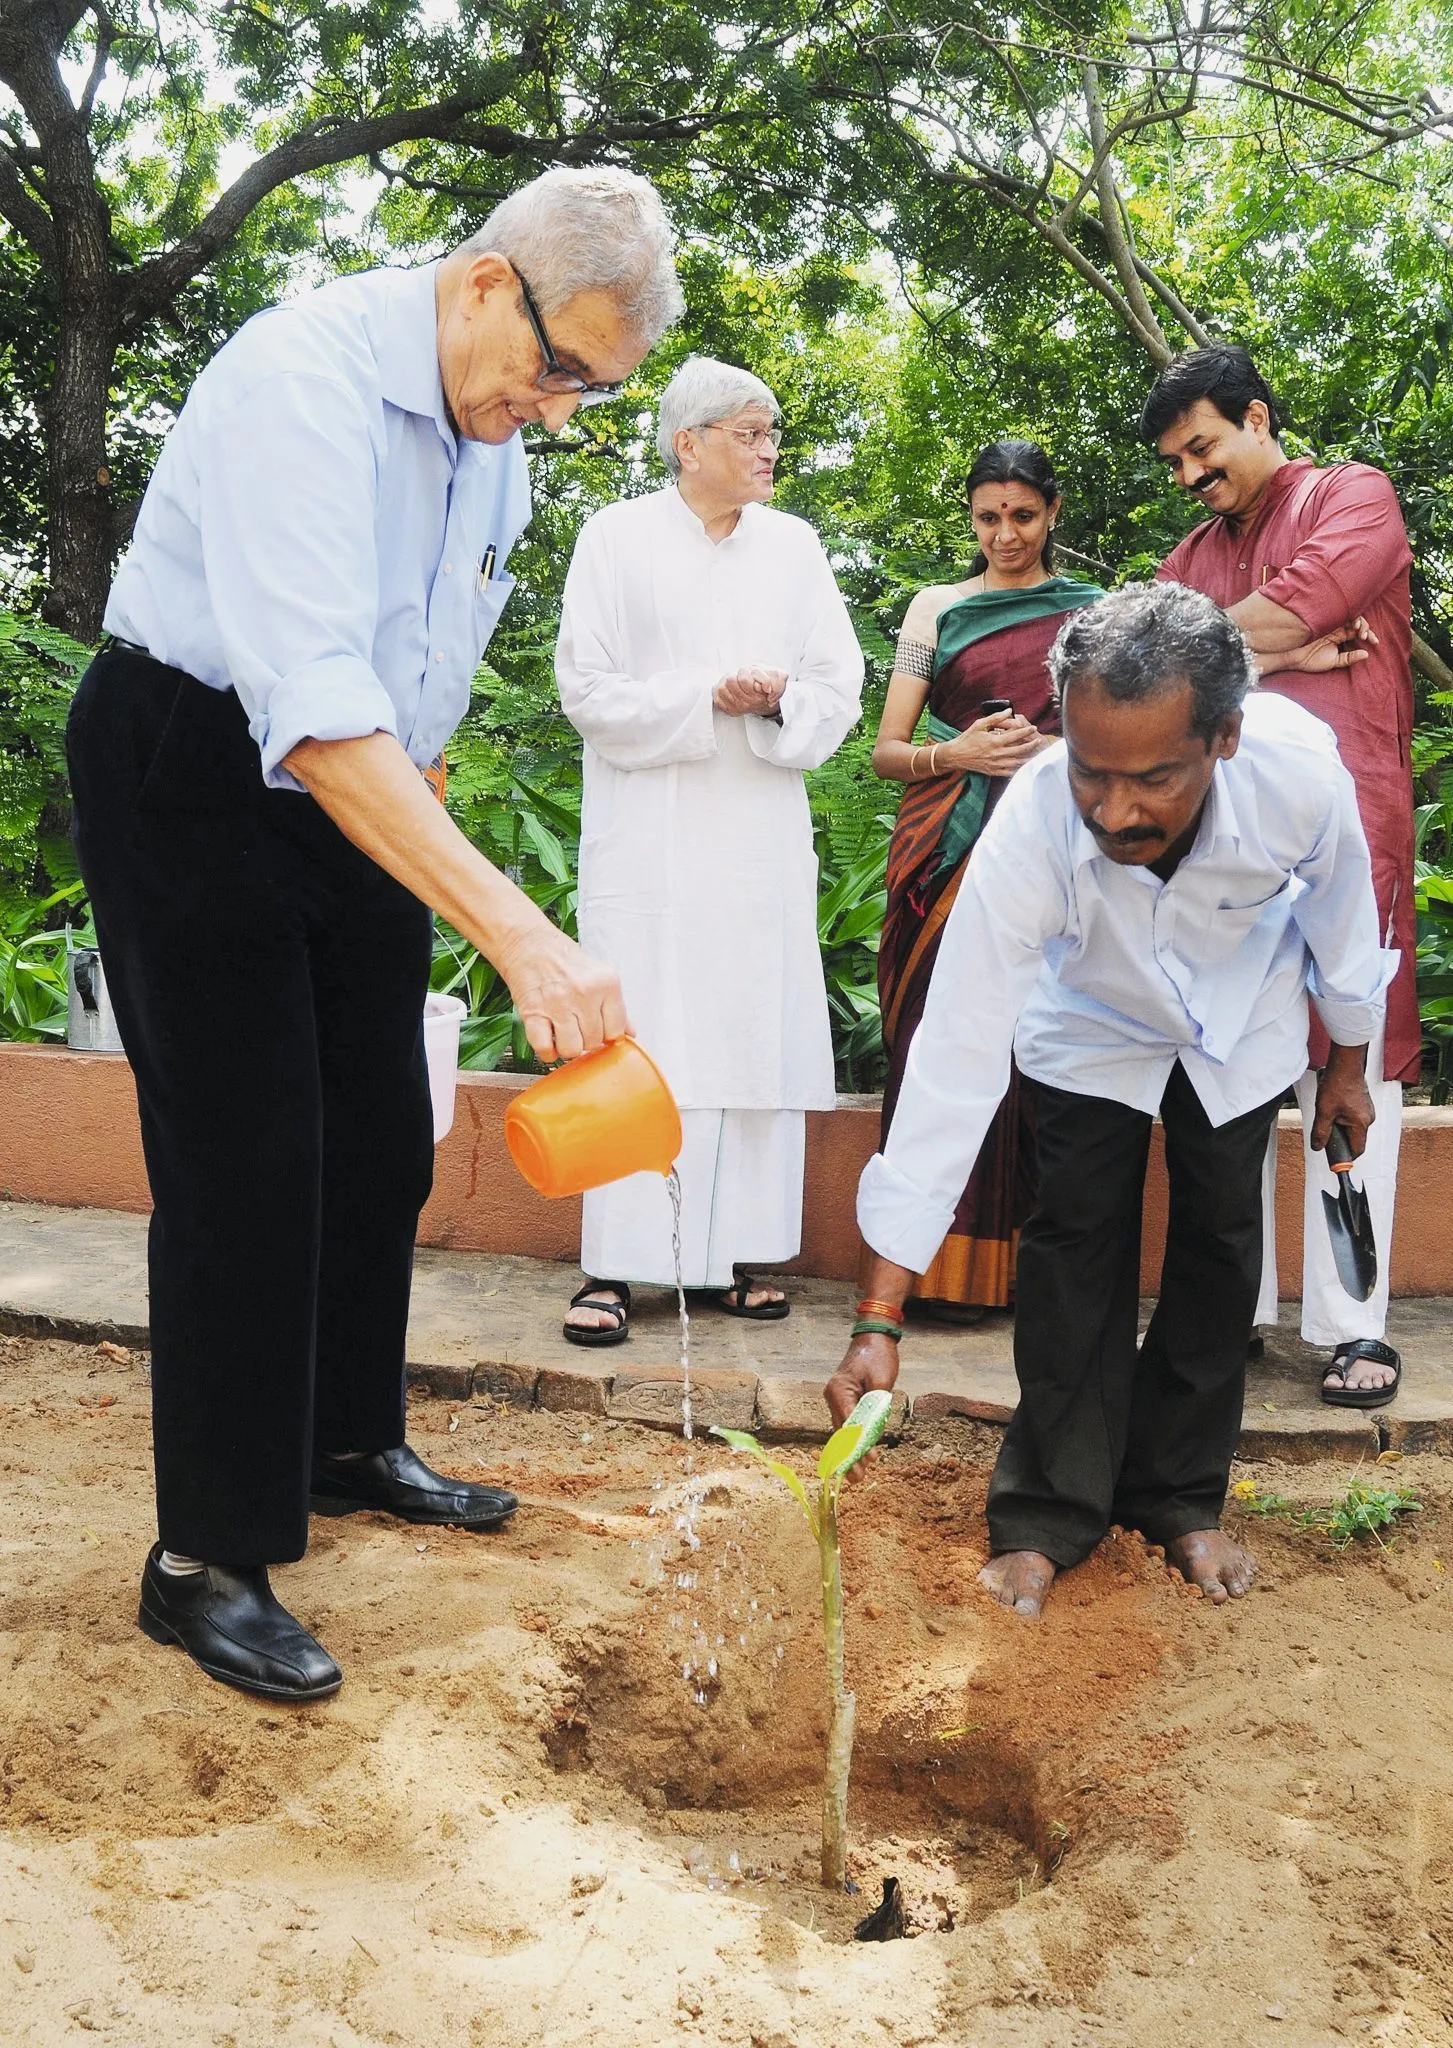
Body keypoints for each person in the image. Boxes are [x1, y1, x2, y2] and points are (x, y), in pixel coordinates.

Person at [66, 167, 684, 1701]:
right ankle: (205, 1556)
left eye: (589, 391)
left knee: (380, 1139)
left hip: (364, 790)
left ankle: (346, 1438)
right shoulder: (302, 381)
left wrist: (433, 840)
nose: (552, 410)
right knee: (246, 1156)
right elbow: (312, 708)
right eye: (553, 368)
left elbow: (411, 684)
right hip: (193, 762)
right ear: (485, 282)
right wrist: (525, 934)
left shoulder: (494, 446)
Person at [826, 583, 1389, 1619]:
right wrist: (878, 1310)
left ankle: (1177, 1493)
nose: (1115, 809)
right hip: (1087, 1023)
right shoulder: (1034, 822)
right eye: (1092, 769)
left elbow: (1347, 921)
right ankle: (1047, 1509)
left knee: (1220, 1245)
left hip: (1240, 1021)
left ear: (1221, 736)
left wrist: (1346, 1064)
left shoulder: (1298, 776)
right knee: (1071, 1242)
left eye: (1153, 777)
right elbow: (954, 1057)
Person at [554, 356, 863, 1343]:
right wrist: (702, 695)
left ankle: (734, 1255)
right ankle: (613, 1266)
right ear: (688, 442)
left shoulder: (795, 546)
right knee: (644, 1034)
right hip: (646, 839)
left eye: (772, 432)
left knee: (746, 1029)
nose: (769, 449)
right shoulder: (615, 537)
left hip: (756, 836)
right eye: (748, 432)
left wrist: (778, 699)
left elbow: (838, 679)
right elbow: (588, 690)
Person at [1146, 345, 1416, 1408]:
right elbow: (1143, 662)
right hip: (1222, 848)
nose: (1190, 476)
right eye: (1174, 462)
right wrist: (1281, 649)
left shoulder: (1352, 496)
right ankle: (1233, 1310)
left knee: (1354, 1070)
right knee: (1233, 1066)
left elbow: (1279, 614)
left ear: (1256, 417)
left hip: (1355, 830)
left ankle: (1355, 1328)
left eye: (1201, 448)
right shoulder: (1191, 550)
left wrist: (1247, 644)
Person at [872, 440, 1101, 1318]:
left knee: (1038, 1040)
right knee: (937, 1035)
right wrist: (956, 751)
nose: (1004, 533)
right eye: (986, 516)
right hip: (941, 841)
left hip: (1049, 834)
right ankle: (923, 1267)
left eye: (1022, 515)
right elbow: (887, 750)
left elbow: (1118, 730)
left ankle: (1033, 1270)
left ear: (1051, 513)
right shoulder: (936, 609)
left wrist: (1046, 749)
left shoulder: (1091, 613)